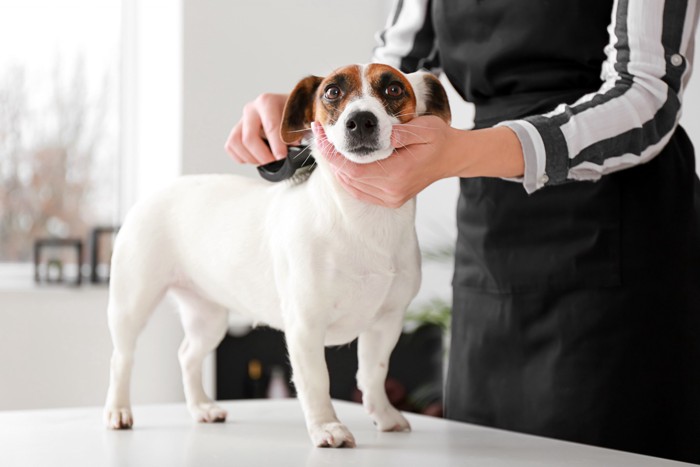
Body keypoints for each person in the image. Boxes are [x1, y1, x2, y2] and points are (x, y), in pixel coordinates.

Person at [226, 0, 700, 462]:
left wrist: (464, 152)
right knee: (481, 447)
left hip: (621, 226)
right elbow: (396, 66)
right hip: (491, 223)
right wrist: (313, 113)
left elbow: (647, 95)